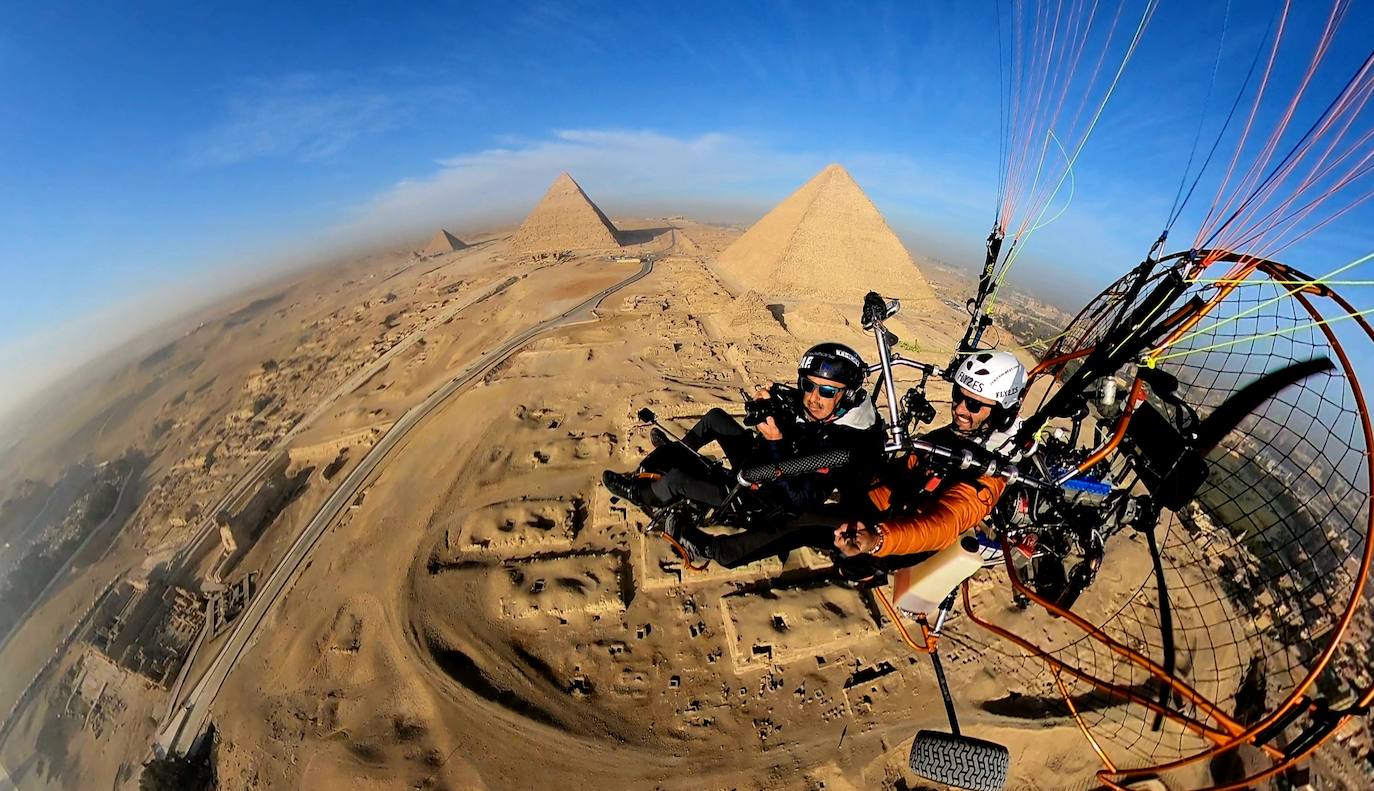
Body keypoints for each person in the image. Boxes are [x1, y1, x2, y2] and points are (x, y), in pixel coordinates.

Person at [602, 342, 885, 529]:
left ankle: (641, 494)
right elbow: (800, 420)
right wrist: (773, 401)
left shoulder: (844, 445)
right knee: (715, 418)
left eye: (826, 391)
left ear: (846, 395)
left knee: (677, 481)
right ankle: (678, 452)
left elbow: (799, 500)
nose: (812, 398)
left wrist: (775, 442)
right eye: (808, 386)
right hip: (758, 464)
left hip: (760, 498)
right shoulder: (824, 410)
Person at [832, 350, 1029, 565]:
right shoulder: (960, 433)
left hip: (901, 536)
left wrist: (877, 540)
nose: (959, 409)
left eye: (973, 404)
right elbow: (905, 468)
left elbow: (944, 524)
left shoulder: (994, 471)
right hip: (889, 503)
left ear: (1002, 412)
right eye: (958, 395)